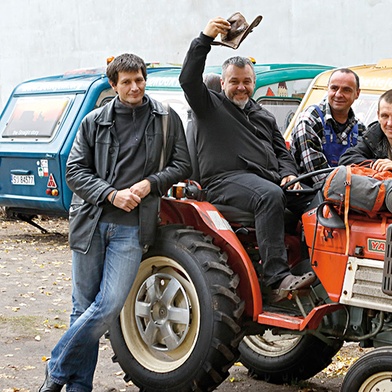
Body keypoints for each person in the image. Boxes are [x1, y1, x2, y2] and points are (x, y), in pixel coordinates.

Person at [39, 54, 191, 391]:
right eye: (126, 81)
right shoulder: (94, 121)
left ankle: (57, 366)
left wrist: (151, 183)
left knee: (108, 305)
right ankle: (79, 387)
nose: (134, 87)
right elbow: (74, 172)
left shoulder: (165, 118)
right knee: (83, 307)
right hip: (91, 224)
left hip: (133, 227)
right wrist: (111, 194)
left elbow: (183, 164)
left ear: (145, 79)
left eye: (139, 79)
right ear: (114, 85)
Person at [179, 17, 316, 300]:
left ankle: (316, 268)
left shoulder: (263, 115)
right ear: (223, 82)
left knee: (320, 199)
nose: (240, 87)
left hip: (267, 181)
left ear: (254, 83)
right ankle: (277, 279)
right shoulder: (210, 107)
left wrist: (289, 174)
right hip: (225, 181)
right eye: (234, 82)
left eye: (246, 82)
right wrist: (204, 39)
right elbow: (189, 78)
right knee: (269, 195)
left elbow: (283, 153)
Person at [290, 68, 366, 185]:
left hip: (348, 193)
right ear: (327, 89)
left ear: (357, 93)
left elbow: (365, 169)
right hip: (310, 195)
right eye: (334, 88)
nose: (338, 94)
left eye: (346, 90)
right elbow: (318, 176)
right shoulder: (310, 119)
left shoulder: (360, 128)